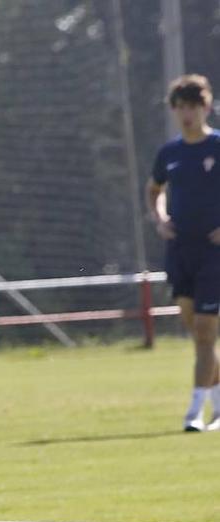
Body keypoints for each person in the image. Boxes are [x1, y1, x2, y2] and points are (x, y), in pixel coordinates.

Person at [146, 74, 220, 432]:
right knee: (197, 333)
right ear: (174, 110)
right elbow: (154, 189)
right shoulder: (170, 152)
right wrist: (160, 218)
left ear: (206, 106)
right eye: (181, 107)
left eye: (193, 106)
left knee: (206, 331)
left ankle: (194, 413)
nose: (187, 113)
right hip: (180, 250)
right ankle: (219, 404)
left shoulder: (218, 146)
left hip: (214, 253)